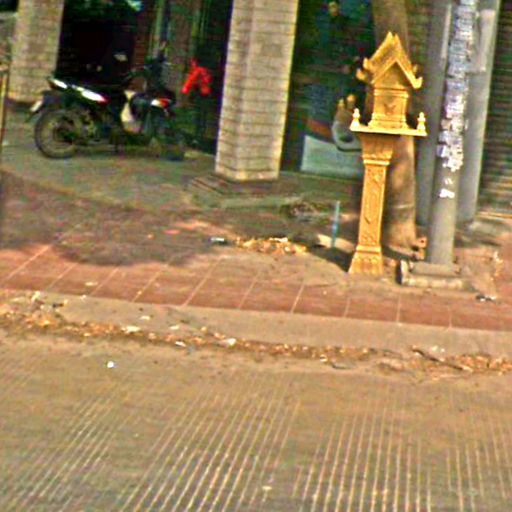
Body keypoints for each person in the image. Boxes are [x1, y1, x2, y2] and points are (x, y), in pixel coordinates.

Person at [181, 48, 214, 148]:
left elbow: (190, 82)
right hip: (206, 95)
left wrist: (184, 92)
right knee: (202, 117)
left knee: (198, 118)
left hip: (201, 95)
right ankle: (200, 137)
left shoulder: (198, 71)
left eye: (192, 62)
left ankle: (197, 139)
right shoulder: (206, 71)